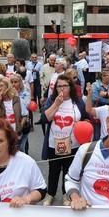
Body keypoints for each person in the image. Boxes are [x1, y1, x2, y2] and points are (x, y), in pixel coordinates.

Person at [40, 74, 89, 206]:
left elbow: (85, 117)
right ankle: (50, 194)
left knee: (68, 170)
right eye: (59, 86)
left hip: (73, 144)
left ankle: (66, 194)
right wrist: (56, 104)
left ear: (70, 87)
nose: (61, 88)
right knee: (53, 170)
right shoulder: (52, 100)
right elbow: (44, 119)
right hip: (54, 143)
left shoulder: (77, 101)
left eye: (64, 86)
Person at [10, 74, 32, 153]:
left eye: (15, 82)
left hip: (23, 121)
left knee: (22, 145)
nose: (13, 84)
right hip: (12, 121)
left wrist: (16, 96)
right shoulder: (9, 94)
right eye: (11, 82)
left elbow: (26, 107)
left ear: (20, 83)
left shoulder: (25, 94)